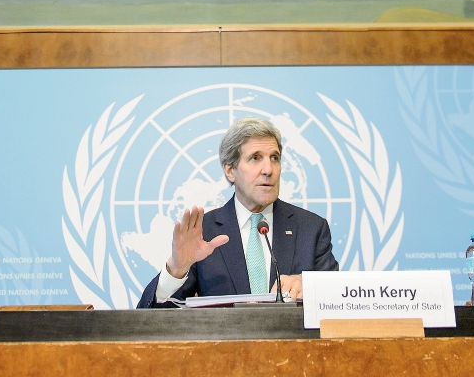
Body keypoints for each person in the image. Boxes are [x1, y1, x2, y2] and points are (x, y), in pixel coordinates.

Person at [136, 117, 339, 308]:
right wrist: (176, 270)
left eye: (274, 158)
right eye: (255, 158)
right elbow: (153, 318)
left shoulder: (311, 229)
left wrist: (311, 286)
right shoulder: (204, 231)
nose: (268, 169)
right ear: (230, 171)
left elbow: (339, 303)